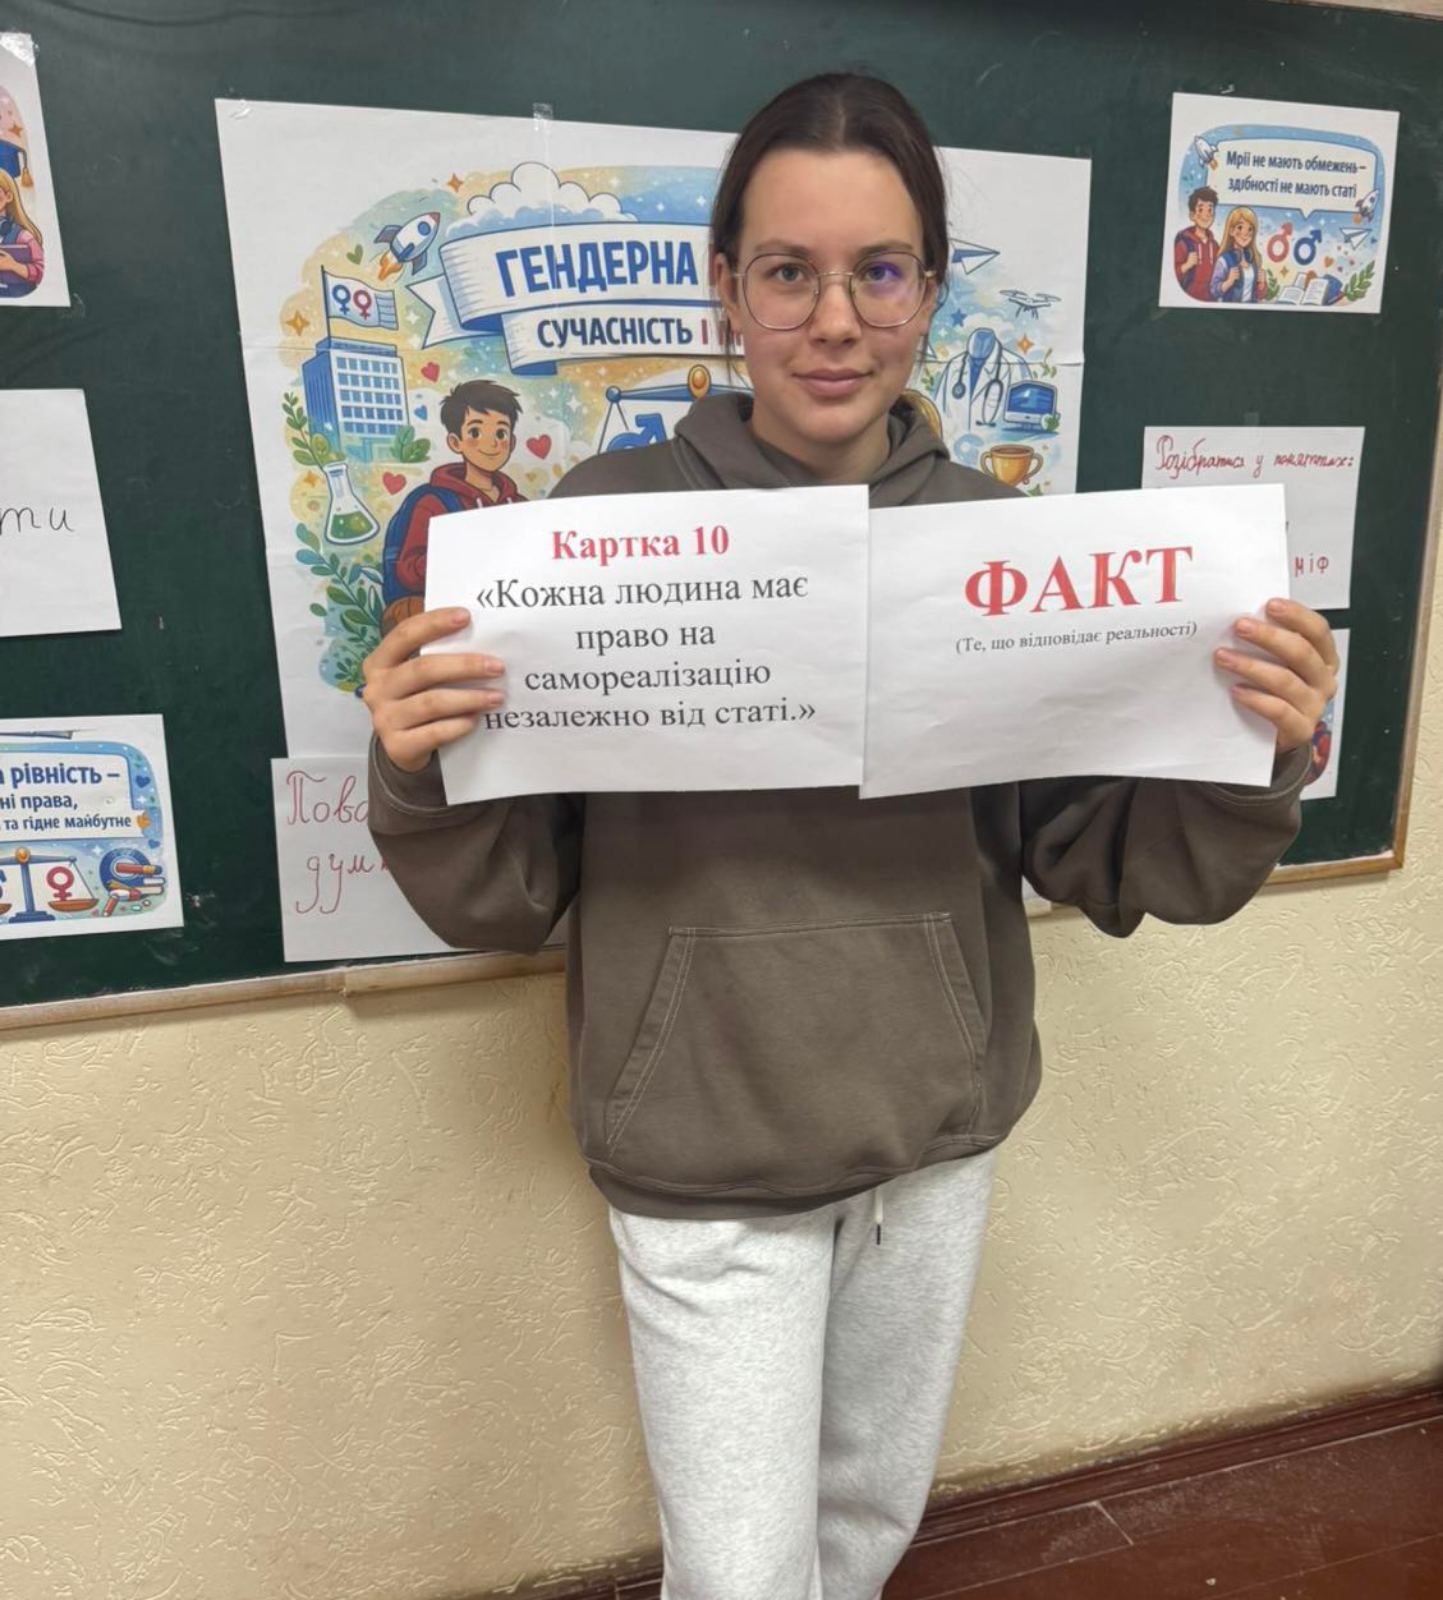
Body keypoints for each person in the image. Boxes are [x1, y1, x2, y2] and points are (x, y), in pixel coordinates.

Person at [363, 74, 1338, 1600]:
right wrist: (420, 764)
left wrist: (1252, 747)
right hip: (702, 1155)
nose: (833, 321)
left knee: (859, 1542)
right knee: (742, 1578)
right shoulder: (584, 535)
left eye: (878, 271)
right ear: (725, 289)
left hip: (928, 1153)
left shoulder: (1000, 543)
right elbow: (503, 893)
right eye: (787, 271)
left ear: (928, 292)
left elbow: (1107, 856)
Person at [378, 379, 525, 635]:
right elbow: (408, 572)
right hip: (453, 617)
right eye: (475, 433)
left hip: (511, 612)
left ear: (511, 442)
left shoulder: (520, 505)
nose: (491, 444)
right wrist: (462, 554)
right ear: (456, 442)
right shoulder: (433, 502)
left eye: (500, 434)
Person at [0, 168, 45, 298]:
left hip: (15, 295)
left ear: (8, 197)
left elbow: (41, 271)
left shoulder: (24, 236)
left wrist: (13, 265)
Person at [1211, 206, 1267, 303]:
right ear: (1231, 231)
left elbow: (1260, 295)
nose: (1245, 233)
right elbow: (1214, 290)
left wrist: (1262, 284)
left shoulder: (1253, 259)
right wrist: (1228, 282)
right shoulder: (1224, 260)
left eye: (1250, 229)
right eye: (1240, 227)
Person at [1173, 184, 1219, 301]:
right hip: (1189, 299)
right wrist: (1186, 265)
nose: (1206, 214)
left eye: (1210, 209)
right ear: (1192, 215)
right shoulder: (1184, 243)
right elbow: (1172, 276)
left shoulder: (1215, 245)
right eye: (1200, 209)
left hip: (1211, 299)